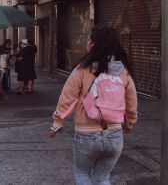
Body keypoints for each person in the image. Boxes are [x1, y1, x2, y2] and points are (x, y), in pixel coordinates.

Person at [49, 26, 138, 184]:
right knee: (102, 177)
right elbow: (131, 100)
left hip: (86, 135)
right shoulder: (123, 70)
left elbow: (68, 97)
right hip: (115, 135)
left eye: (89, 39)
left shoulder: (83, 69)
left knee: (82, 173)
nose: (87, 42)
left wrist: (58, 121)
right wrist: (130, 122)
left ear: (94, 44)